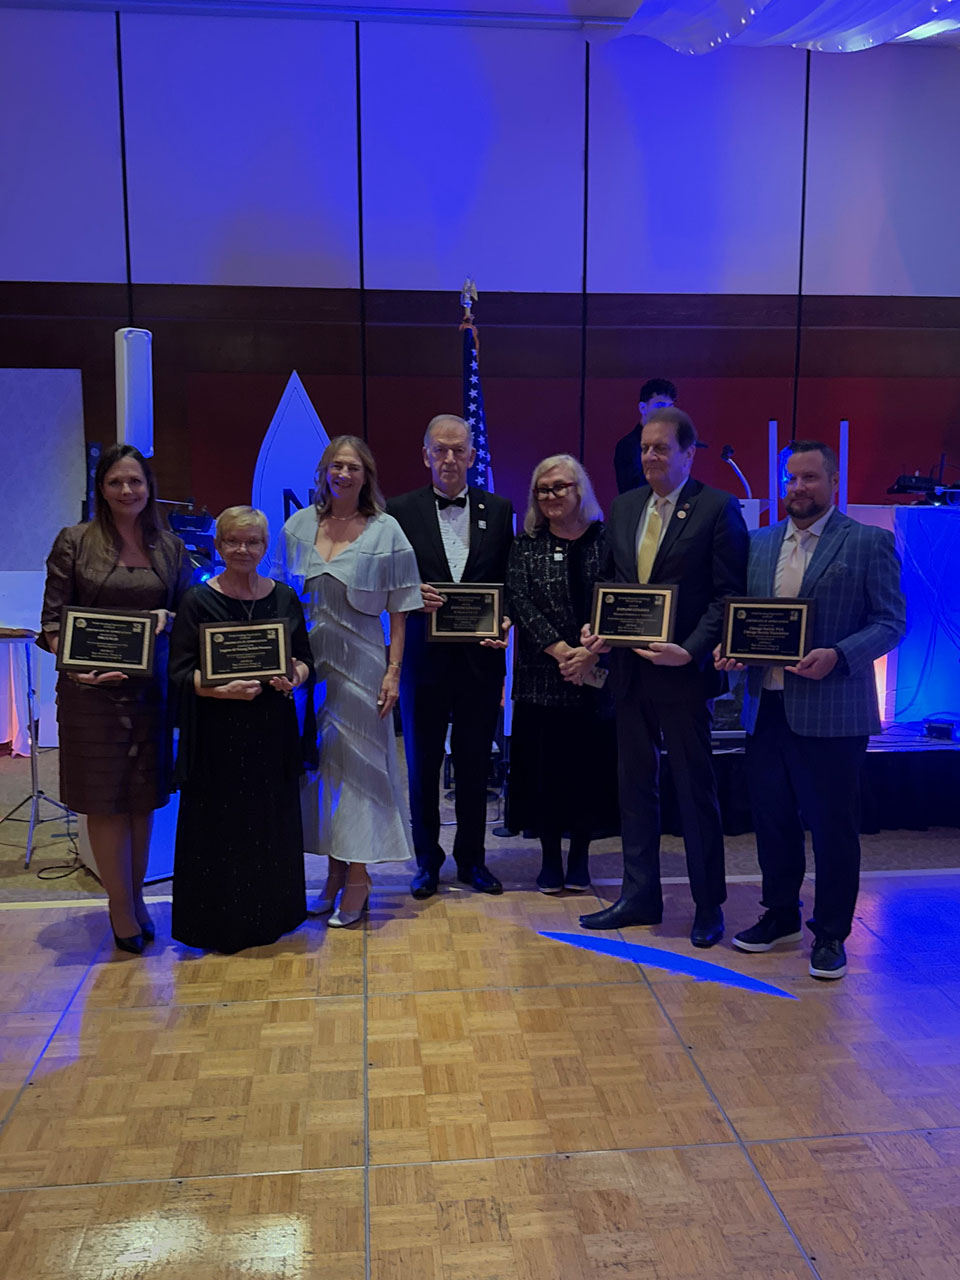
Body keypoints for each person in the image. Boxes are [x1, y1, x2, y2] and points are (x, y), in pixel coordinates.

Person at [715, 441, 905, 979]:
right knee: (772, 822)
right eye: (790, 478)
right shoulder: (757, 543)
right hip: (764, 708)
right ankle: (780, 915)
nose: (798, 488)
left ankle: (831, 934)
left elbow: (891, 621)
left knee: (832, 829)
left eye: (810, 477)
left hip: (833, 712)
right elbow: (744, 619)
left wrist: (839, 656)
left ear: (833, 482)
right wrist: (731, 648)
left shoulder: (868, 541)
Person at [581, 407, 749, 946]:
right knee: (635, 788)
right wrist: (599, 626)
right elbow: (612, 582)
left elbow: (728, 595)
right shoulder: (625, 506)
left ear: (687, 453)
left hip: (683, 677)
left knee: (695, 790)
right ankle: (639, 895)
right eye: (644, 448)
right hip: (630, 675)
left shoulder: (717, 508)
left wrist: (691, 651)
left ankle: (708, 905)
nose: (649, 456)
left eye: (661, 448)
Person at [39, 443, 191, 954]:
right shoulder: (75, 541)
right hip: (90, 695)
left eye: (135, 481)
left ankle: (136, 898)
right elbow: (53, 621)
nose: (127, 490)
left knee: (143, 801)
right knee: (106, 802)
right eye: (115, 482)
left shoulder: (170, 547)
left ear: (149, 487)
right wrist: (77, 666)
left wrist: (170, 617)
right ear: (101, 489)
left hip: (150, 691)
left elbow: (188, 612)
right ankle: (120, 907)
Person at [276, 436, 422, 926]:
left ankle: (358, 876)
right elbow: (279, 598)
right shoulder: (297, 526)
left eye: (353, 467)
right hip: (310, 671)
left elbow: (400, 611)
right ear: (323, 471)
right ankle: (336, 872)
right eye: (336, 466)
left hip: (364, 666)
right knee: (324, 773)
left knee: (361, 773)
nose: (343, 474)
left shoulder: (387, 531)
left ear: (366, 476)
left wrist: (393, 672)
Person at [169, 507, 313, 953]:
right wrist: (218, 690)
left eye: (252, 542)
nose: (242, 549)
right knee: (221, 828)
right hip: (217, 734)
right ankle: (220, 926)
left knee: (270, 824)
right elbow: (179, 673)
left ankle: (274, 915)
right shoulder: (197, 601)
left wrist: (295, 676)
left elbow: (306, 660)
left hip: (271, 731)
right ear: (218, 545)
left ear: (265, 547)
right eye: (232, 541)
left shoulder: (284, 597)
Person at [387, 414, 513, 900]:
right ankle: (426, 861)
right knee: (421, 763)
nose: (449, 458)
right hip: (423, 658)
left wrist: (506, 618)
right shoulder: (399, 510)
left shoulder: (498, 510)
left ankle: (472, 859)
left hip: (481, 659)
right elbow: (387, 581)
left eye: (459, 450)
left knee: (475, 762)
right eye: (440, 449)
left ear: (472, 456)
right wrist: (409, 592)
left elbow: (509, 579)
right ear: (425, 455)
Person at [505, 455, 618, 893]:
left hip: (597, 676)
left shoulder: (608, 540)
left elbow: (620, 598)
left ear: (580, 490)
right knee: (545, 774)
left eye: (560, 486)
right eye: (542, 489)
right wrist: (563, 651)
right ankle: (550, 858)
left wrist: (590, 655)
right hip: (540, 679)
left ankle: (581, 858)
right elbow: (519, 600)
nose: (551, 496)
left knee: (586, 771)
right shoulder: (525, 545)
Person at [614, 378, 678, 494]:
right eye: (660, 406)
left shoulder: (672, 442)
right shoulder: (629, 446)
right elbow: (632, 491)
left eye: (670, 407)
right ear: (643, 408)